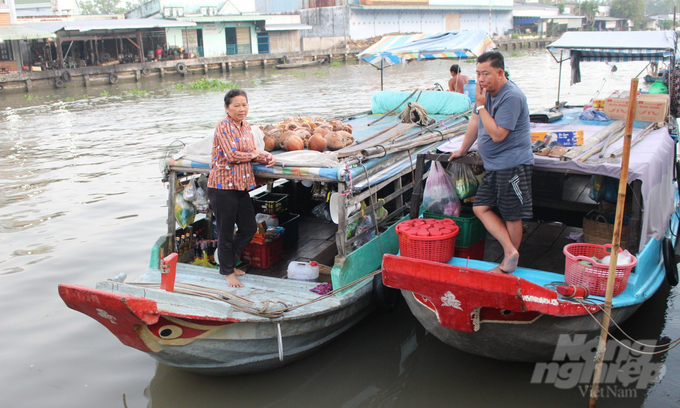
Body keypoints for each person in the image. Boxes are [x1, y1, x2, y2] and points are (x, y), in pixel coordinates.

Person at [448, 51, 533, 274]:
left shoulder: (511, 96)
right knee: (480, 207)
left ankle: (510, 263)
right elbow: (476, 120)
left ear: (500, 72)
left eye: (485, 73)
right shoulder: (484, 94)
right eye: (477, 73)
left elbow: (497, 135)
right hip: (493, 164)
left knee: (512, 214)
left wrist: (482, 105)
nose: (481, 78)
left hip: (512, 164)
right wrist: (462, 150)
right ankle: (510, 252)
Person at [207, 89, 276, 287]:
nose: (241, 109)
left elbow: (251, 151)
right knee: (225, 231)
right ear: (227, 108)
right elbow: (232, 155)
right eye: (236, 105)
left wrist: (268, 157)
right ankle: (228, 271)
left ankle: (228, 263)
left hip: (240, 185)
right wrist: (255, 155)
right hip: (222, 186)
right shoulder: (223, 126)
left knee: (248, 227)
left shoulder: (246, 127)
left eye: (244, 104)